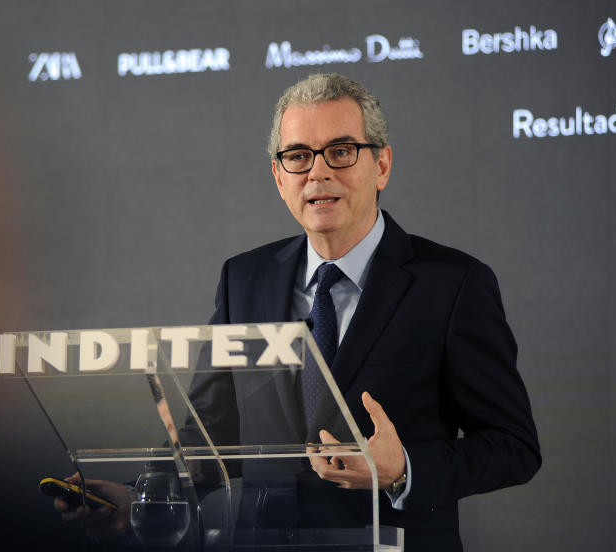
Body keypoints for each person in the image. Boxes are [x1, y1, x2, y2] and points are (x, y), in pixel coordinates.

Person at [57, 73, 540, 551]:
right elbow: (208, 435)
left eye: (341, 151)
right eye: (298, 156)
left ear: (383, 165)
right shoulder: (244, 279)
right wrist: (144, 498)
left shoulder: (452, 283)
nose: (318, 172)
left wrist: (404, 469)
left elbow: (513, 446)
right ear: (278, 177)